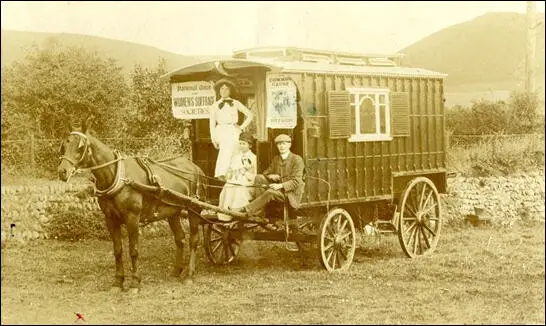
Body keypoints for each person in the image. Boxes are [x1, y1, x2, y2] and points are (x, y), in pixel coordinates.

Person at [234, 134, 305, 219]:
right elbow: (266, 172)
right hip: (278, 189)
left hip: (290, 193)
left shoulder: (297, 159)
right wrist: (271, 175)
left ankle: (246, 209)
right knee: (259, 177)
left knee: (270, 192)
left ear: (289, 145)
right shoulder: (276, 159)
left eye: (284, 144)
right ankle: (259, 211)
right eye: (279, 144)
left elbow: (296, 182)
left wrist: (280, 185)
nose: (281, 146)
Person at [209, 78, 254, 180]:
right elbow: (211, 124)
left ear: (230, 91)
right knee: (226, 146)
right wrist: (213, 139)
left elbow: (250, 115)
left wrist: (241, 127)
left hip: (233, 129)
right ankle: (222, 173)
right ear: (219, 91)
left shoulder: (235, 103)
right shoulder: (214, 106)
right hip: (221, 131)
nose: (224, 91)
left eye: (226, 89)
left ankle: (233, 174)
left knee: (235, 151)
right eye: (222, 89)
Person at [217, 132, 257, 222]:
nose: (241, 146)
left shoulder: (254, 158)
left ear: (250, 145)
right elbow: (230, 171)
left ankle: (239, 212)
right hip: (234, 181)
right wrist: (228, 175)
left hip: (248, 184)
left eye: (244, 144)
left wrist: (244, 174)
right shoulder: (235, 157)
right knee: (228, 186)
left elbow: (255, 175)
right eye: (240, 143)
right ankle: (227, 215)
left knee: (238, 188)